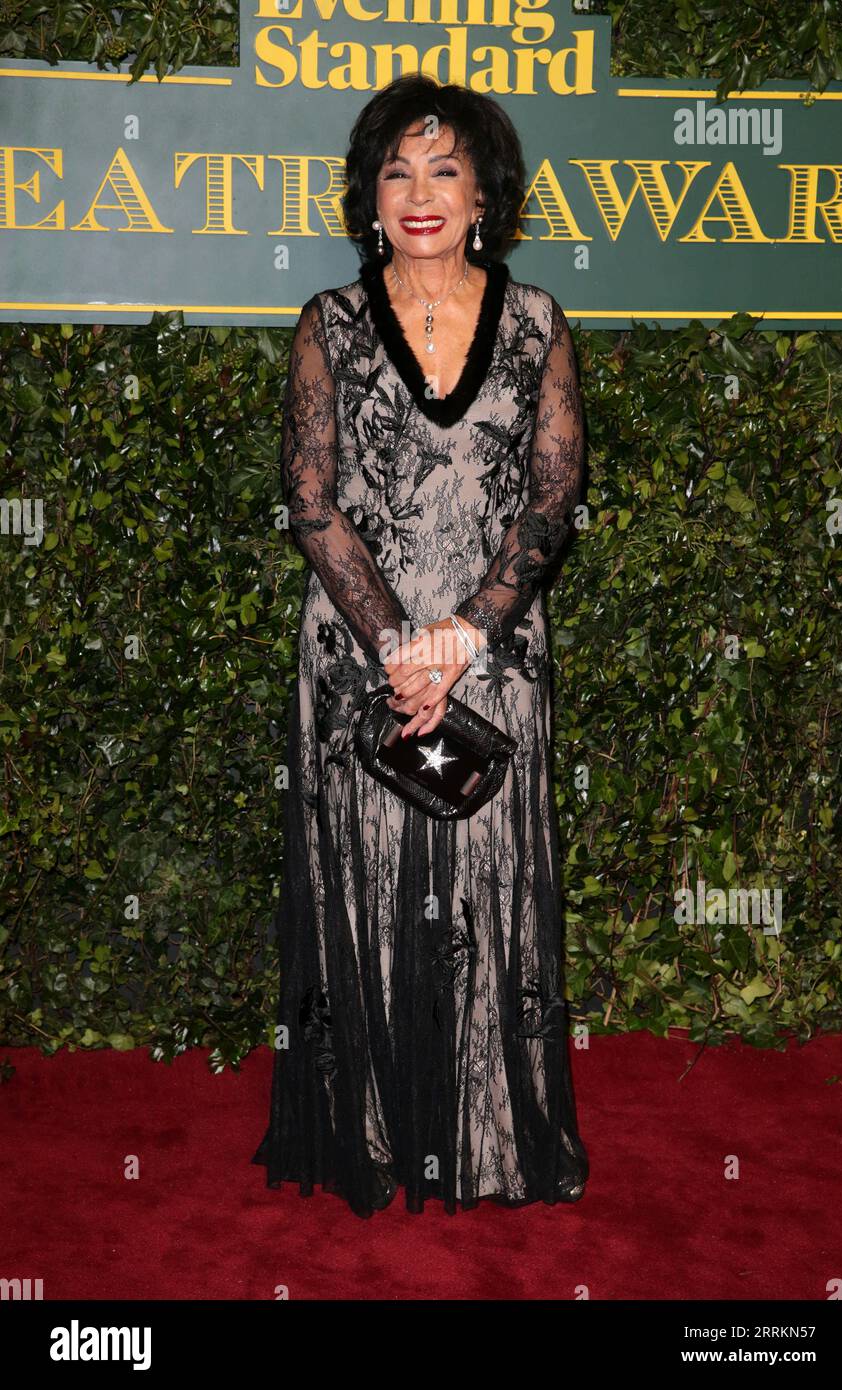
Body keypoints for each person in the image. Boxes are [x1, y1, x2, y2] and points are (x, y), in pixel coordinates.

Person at [251, 73, 590, 1218]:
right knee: (372, 880)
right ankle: (375, 1135)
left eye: (443, 168)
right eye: (396, 170)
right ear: (369, 195)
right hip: (361, 653)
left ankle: (487, 1139)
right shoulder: (329, 325)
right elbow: (309, 500)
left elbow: (549, 500)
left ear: (484, 189)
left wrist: (465, 632)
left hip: (495, 652)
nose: (420, 192)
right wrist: (401, 642)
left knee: (487, 894)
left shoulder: (536, 320)